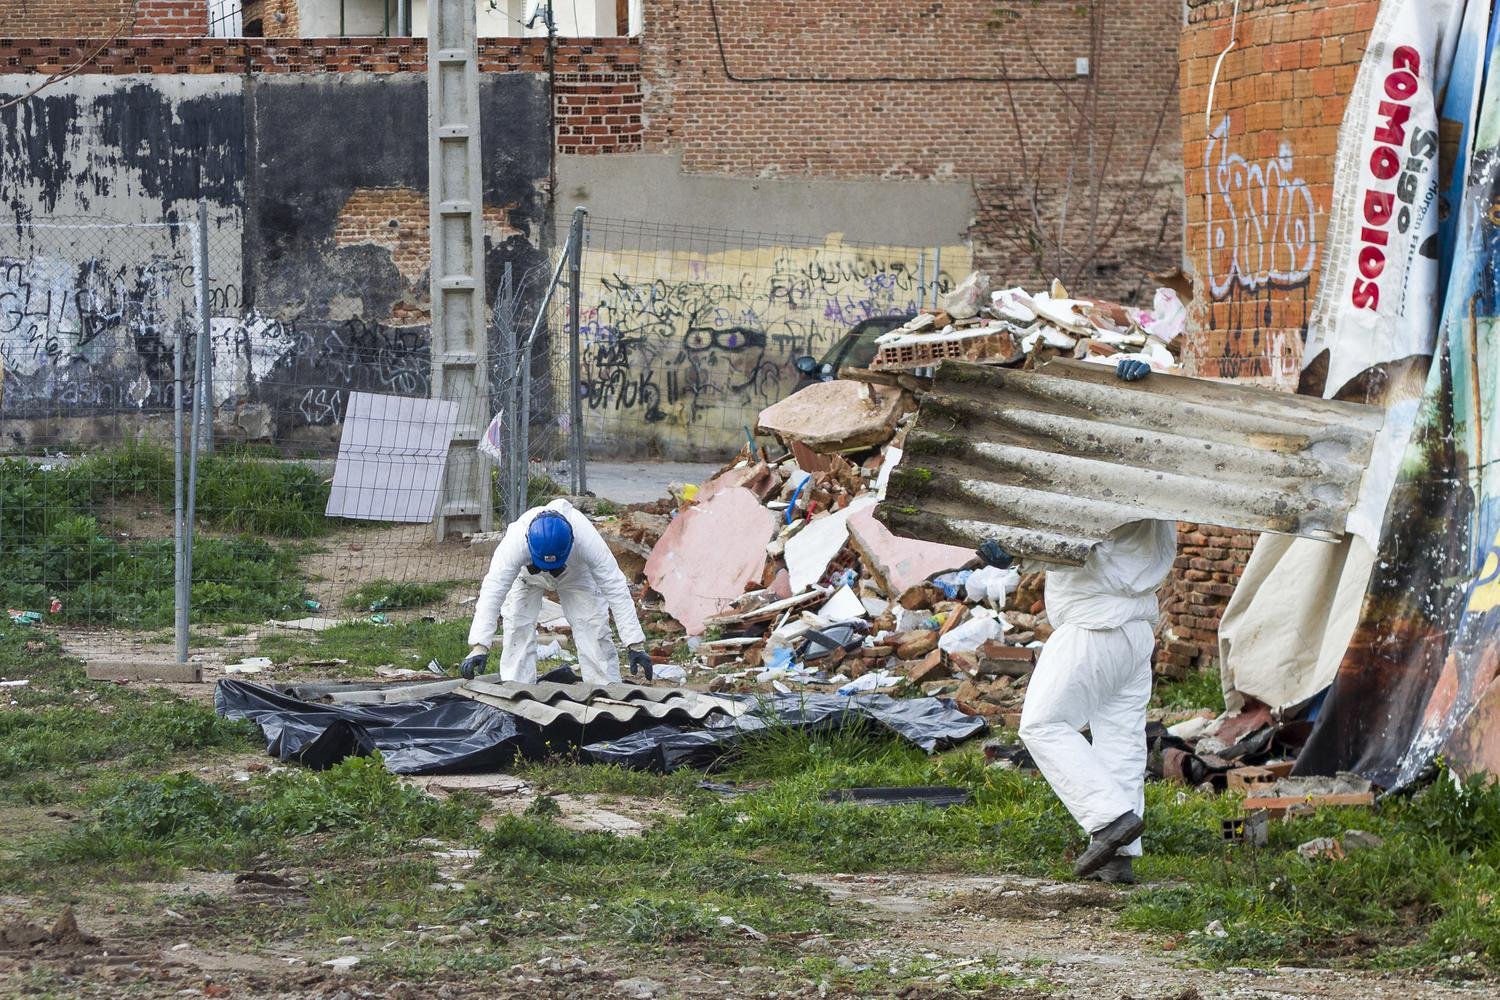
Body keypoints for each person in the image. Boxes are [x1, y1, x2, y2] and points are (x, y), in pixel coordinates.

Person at [976, 357, 1176, 885]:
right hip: (1135, 633)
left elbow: (1071, 535)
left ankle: (1110, 821)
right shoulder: (1162, 485)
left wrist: (1014, 551)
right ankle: (1121, 859)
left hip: (1097, 626)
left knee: (1041, 724)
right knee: (1119, 741)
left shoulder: (1107, 483)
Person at [461, 498, 654, 685]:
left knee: (592, 626)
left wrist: (634, 643)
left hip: (574, 573)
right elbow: (493, 590)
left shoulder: (587, 539)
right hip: (527, 575)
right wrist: (479, 646)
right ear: (528, 542)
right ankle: (517, 692)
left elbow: (615, 587)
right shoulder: (515, 543)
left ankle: (604, 692)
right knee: (517, 624)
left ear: (572, 541)